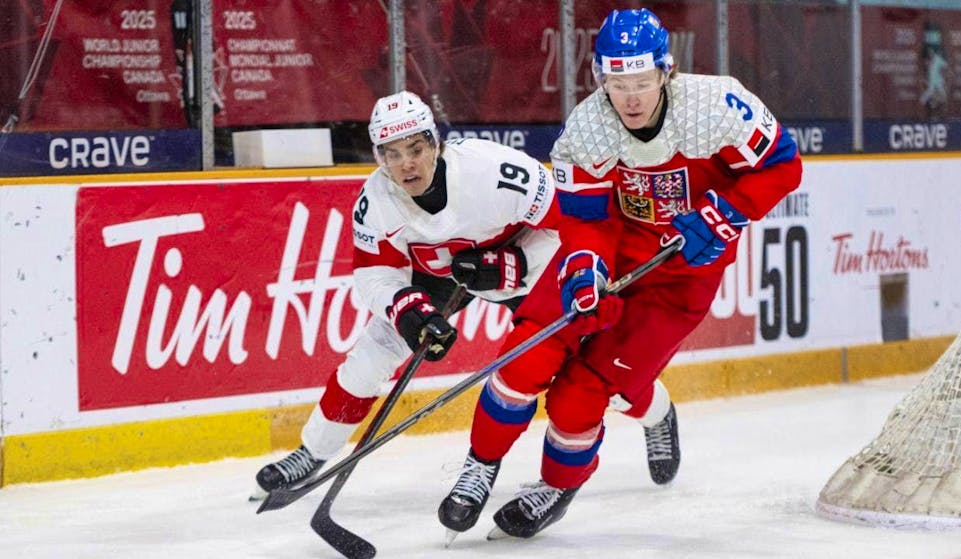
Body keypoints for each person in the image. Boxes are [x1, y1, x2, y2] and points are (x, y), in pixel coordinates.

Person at [439, 7, 802, 541]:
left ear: (666, 71)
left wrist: (725, 213)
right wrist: (586, 267)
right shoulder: (588, 129)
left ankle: (557, 486)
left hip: (681, 278)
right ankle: (480, 464)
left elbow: (783, 166)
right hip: (616, 251)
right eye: (617, 82)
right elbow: (586, 221)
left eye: (640, 82)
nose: (629, 97)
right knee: (527, 356)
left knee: (580, 395)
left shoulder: (717, 107)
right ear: (600, 77)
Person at [253, 90, 561, 496]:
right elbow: (373, 272)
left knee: (582, 350)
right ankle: (313, 451)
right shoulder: (376, 200)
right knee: (373, 351)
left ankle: (652, 413)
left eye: (415, 148)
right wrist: (407, 309)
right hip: (436, 275)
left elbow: (571, 228)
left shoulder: (496, 171)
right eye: (391, 155)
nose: (406, 164)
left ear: (436, 143)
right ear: (379, 158)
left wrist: (518, 263)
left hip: (515, 260)